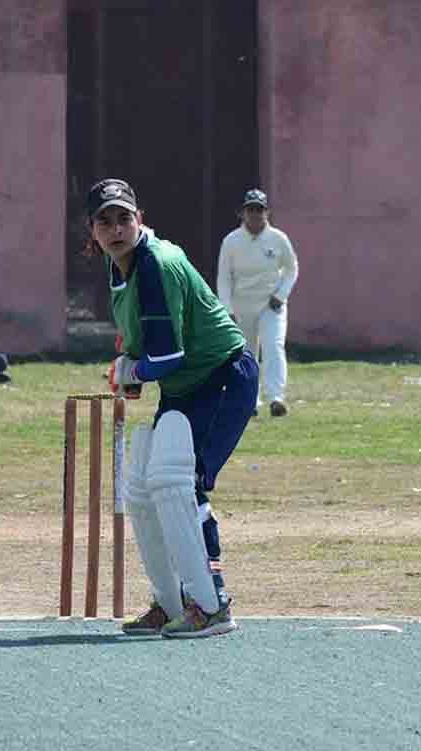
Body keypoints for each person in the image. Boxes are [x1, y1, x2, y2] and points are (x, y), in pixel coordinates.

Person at [89, 178, 258, 638]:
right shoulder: (118, 264)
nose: (116, 228)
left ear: (139, 219)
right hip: (184, 387)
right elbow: (143, 338)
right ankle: (171, 602)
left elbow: (168, 357)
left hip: (222, 378)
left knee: (183, 486)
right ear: (93, 230)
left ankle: (212, 604)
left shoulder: (156, 265)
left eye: (124, 218)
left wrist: (132, 371)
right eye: (105, 221)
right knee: (146, 489)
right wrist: (131, 368)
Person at [216, 188, 298, 417]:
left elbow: (291, 268)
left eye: (259, 210)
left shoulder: (278, 239)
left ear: (267, 212)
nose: (255, 215)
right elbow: (224, 278)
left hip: (271, 304)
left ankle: (276, 398)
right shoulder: (231, 241)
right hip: (242, 306)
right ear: (242, 213)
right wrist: (227, 309)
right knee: (246, 353)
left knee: (273, 346)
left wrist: (281, 295)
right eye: (250, 210)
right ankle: (249, 400)